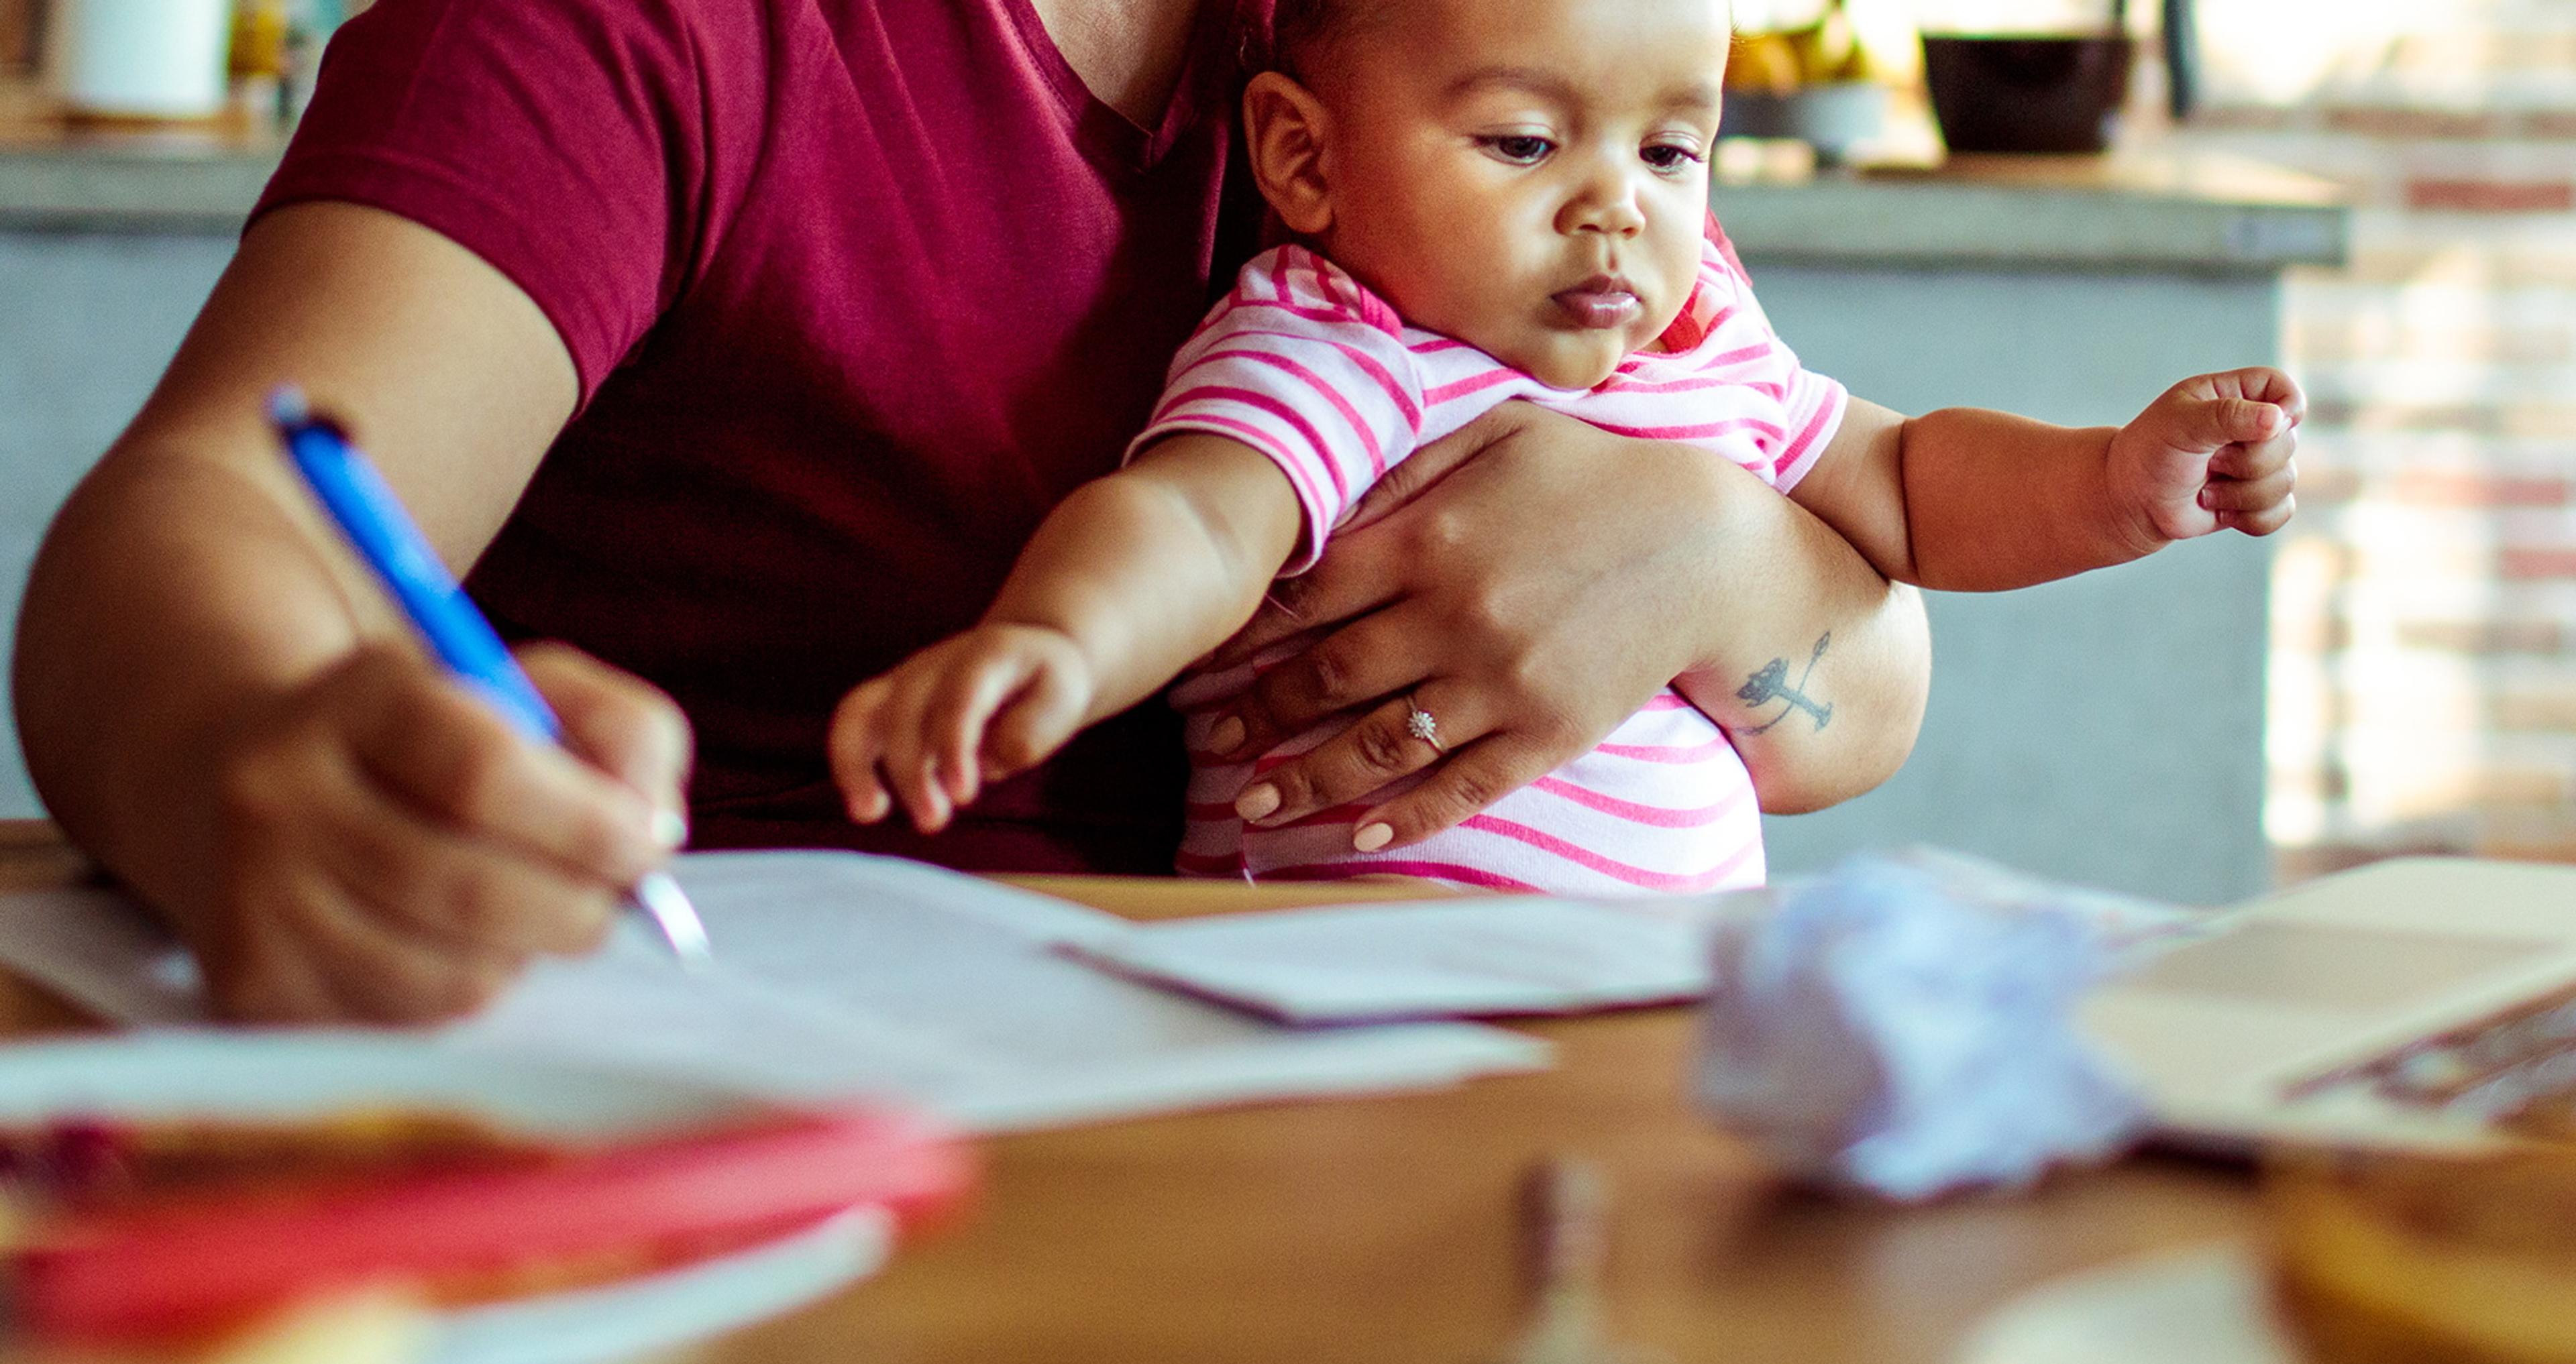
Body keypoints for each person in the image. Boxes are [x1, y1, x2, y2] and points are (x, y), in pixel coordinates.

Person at [11, 0, 1930, 1023]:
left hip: (1329, 1111)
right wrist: (246, 764)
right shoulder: (639, 34)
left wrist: (1705, 551)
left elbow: (1871, 694)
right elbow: (205, 532)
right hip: (752, 1090)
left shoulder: (1458, 55)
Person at [826, 0, 2302, 894]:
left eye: (1669, 151)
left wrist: (2114, 481)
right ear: (1305, 160)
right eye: (1526, 143)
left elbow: (1911, 485)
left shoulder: (1701, 334)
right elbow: (1198, 524)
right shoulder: (1341, 340)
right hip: (1361, 993)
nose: (1618, 207)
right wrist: (1057, 645)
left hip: (1661, 1002)